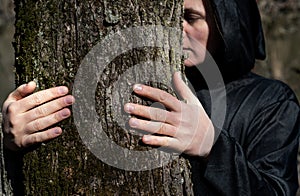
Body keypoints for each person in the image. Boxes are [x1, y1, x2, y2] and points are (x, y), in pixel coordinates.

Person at [1, 0, 299, 195]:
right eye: (170, 14)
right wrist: (11, 146)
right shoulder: (134, 80)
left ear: (229, 24)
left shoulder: (270, 101)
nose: (173, 26)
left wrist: (211, 146)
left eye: (190, 17)